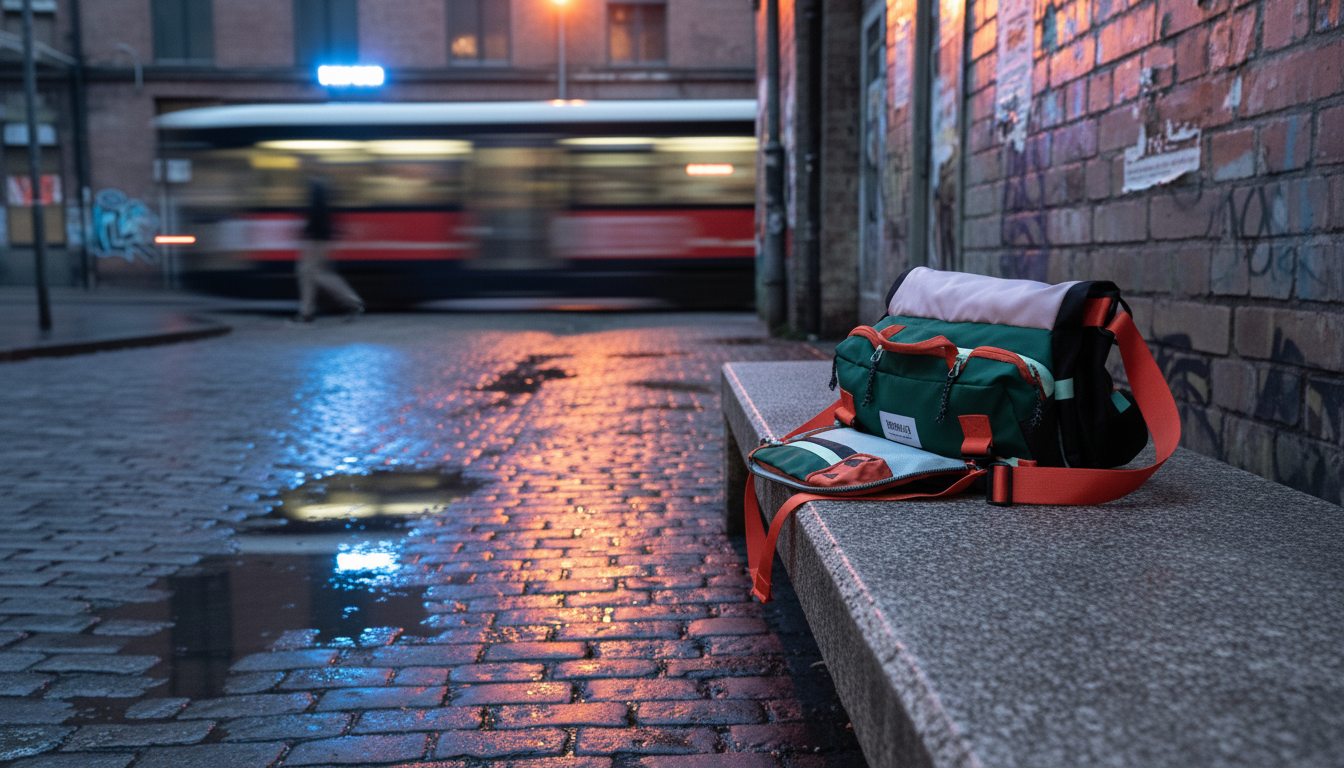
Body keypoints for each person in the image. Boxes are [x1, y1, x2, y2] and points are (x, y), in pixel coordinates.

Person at [295, 173, 364, 322]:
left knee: (312, 272)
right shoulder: (322, 183)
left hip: (318, 238)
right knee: (310, 273)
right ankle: (306, 313)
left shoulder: (317, 185)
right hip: (321, 236)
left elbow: (317, 212)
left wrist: (307, 231)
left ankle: (353, 303)